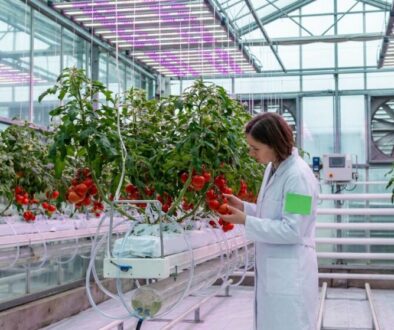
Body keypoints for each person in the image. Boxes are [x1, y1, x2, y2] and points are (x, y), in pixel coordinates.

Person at [220, 112, 319, 330]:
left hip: (290, 273)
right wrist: (244, 207)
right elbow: (272, 215)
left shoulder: (298, 177)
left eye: (255, 148)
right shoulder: (272, 168)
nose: (251, 153)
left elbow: (293, 229)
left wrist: (246, 221)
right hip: (276, 270)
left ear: (274, 144)